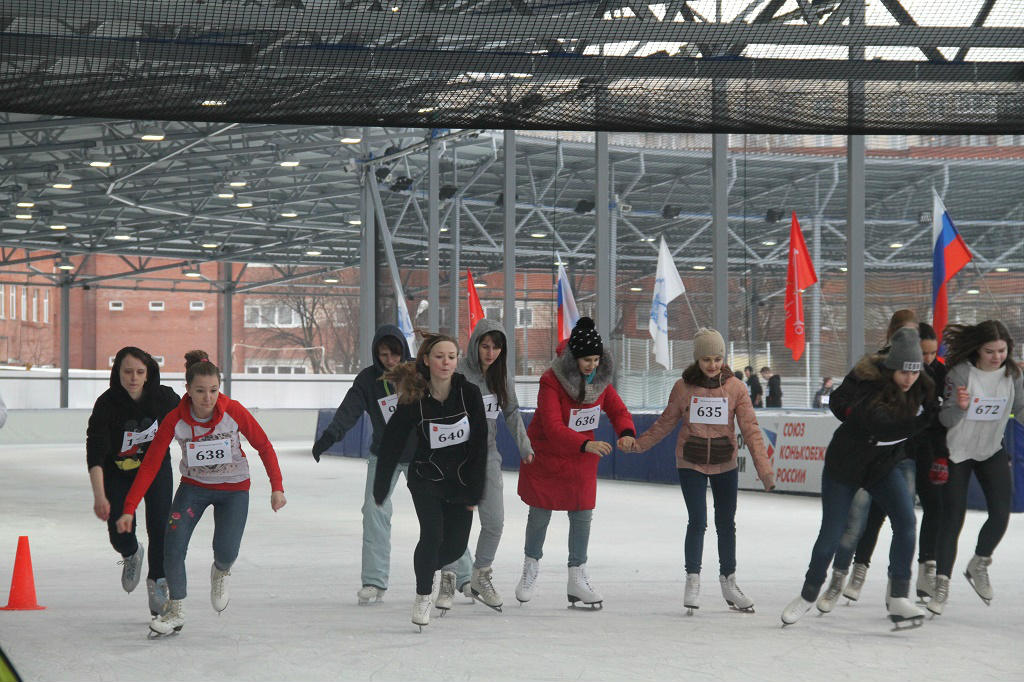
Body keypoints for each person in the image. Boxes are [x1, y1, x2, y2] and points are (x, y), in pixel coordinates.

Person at [115, 351, 286, 636]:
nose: (208, 398)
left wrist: (277, 487)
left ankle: (221, 570)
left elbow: (264, 445)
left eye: (213, 391)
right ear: (188, 391)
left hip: (234, 490)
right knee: (173, 544)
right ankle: (176, 609)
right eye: (200, 391)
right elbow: (151, 464)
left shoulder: (234, 411)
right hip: (194, 489)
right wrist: (130, 507)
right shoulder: (174, 419)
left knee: (226, 550)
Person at [780, 328, 936, 628]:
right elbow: (887, 428)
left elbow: (939, 413)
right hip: (845, 467)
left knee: (906, 521)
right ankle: (808, 594)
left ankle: (899, 595)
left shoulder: (923, 386)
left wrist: (954, 406)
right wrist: (925, 419)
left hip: (882, 467)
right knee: (833, 534)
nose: (909, 378)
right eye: (903, 371)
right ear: (892, 367)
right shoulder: (869, 388)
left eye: (915, 372)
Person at [625, 328, 774, 614]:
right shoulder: (683, 388)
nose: (713, 364)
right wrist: (638, 445)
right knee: (698, 521)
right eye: (706, 358)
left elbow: (751, 430)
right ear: (697, 359)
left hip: (724, 462)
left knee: (726, 523)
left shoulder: (736, 388)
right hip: (690, 461)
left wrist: (765, 472)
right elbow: (665, 423)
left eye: (718, 358)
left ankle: (729, 581)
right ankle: (692, 579)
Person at [515, 317, 635, 609]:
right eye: (586, 360)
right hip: (548, 454)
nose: (592, 365)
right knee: (540, 513)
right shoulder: (551, 380)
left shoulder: (600, 380)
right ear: (574, 357)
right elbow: (553, 426)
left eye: (596, 359)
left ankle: (577, 576)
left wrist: (627, 432)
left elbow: (617, 409)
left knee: (582, 514)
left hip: (581, 459)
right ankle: (530, 567)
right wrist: (585, 443)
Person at [374, 333, 488, 630]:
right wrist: (381, 484)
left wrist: (476, 489)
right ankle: (423, 595)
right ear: (426, 360)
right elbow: (392, 442)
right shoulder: (415, 397)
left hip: (461, 482)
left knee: (454, 547)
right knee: (432, 536)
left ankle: (430, 570)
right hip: (426, 477)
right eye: (439, 356)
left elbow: (479, 445)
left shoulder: (469, 394)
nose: (446, 362)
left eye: (451, 356)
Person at [816, 309, 920, 606]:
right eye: (904, 334)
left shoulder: (922, 375)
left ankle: (896, 589)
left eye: (915, 335)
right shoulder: (869, 369)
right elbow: (840, 401)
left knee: (903, 520)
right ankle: (838, 578)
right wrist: (858, 417)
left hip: (902, 458)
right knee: (854, 521)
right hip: (864, 458)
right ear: (891, 337)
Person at [311, 324, 413, 604]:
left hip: (420, 456)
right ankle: (374, 580)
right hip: (385, 455)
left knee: (440, 513)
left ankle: (463, 575)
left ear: (403, 351)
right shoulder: (368, 380)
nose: (390, 360)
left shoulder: (419, 372)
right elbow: (349, 411)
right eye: (383, 354)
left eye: (395, 354)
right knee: (373, 511)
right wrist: (329, 436)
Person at [929, 320, 1024, 615]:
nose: (997, 357)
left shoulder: (1012, 373)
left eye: (1001, 350)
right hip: (959, 451)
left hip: (990, 450)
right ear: (977, 350)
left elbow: (1020, 408)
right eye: (990, 351)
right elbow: (945, 419)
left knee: (1000, 513)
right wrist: (958, 405)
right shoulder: (960, 373)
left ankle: (979, 562)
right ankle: (941, 582)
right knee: (953, 518)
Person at [438, 319, 533, 612]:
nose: (490, 352)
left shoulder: (502, 376)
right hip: (456, 456)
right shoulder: (460, 373)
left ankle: (480, 575)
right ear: (476, 344)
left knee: (494, 521)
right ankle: (449, 578)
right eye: (485, 346)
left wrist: (524, 446)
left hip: (488, 454)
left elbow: (512, 412)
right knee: (454, 522)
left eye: (496, 347)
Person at [86, 347, 179, 617]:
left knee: (160, 527)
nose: (134, 377)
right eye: (127, 371)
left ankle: (158, 581)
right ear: (118, 373)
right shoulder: (106, 404)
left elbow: (192, 413)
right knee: (120, 531)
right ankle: (130, 553)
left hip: (156, 470)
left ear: (148, 374)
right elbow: (95, 452)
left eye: (140, 372)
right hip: (119, 471)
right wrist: (99, 495)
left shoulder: (163, 398)